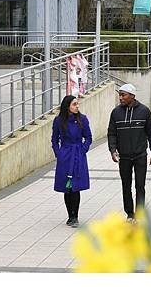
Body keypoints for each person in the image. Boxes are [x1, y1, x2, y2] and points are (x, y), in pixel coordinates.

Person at [107, 83, 151, 223]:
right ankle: (130, 214)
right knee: (126, 185)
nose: (120, 98)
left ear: (132, 96)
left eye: (123, 95)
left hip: (140, 155)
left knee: (140, 186)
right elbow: (111, 133)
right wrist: (112, 149)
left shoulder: (144, 111)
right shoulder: (116, 112)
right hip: (124, 157)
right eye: (120, 95)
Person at [51, 95, 93, 228]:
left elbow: (88, 137)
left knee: (75, 186)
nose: (77, 107)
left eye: (77, 104)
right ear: (67, 106)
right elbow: (54, 139)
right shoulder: (59, 121)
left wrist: (83, 149)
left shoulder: (82, 119)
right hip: (65, 155)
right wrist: (59, 153)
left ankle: (75, 216)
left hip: (78, 154)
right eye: (74, 104)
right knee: (66, 187)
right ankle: (70, 215)